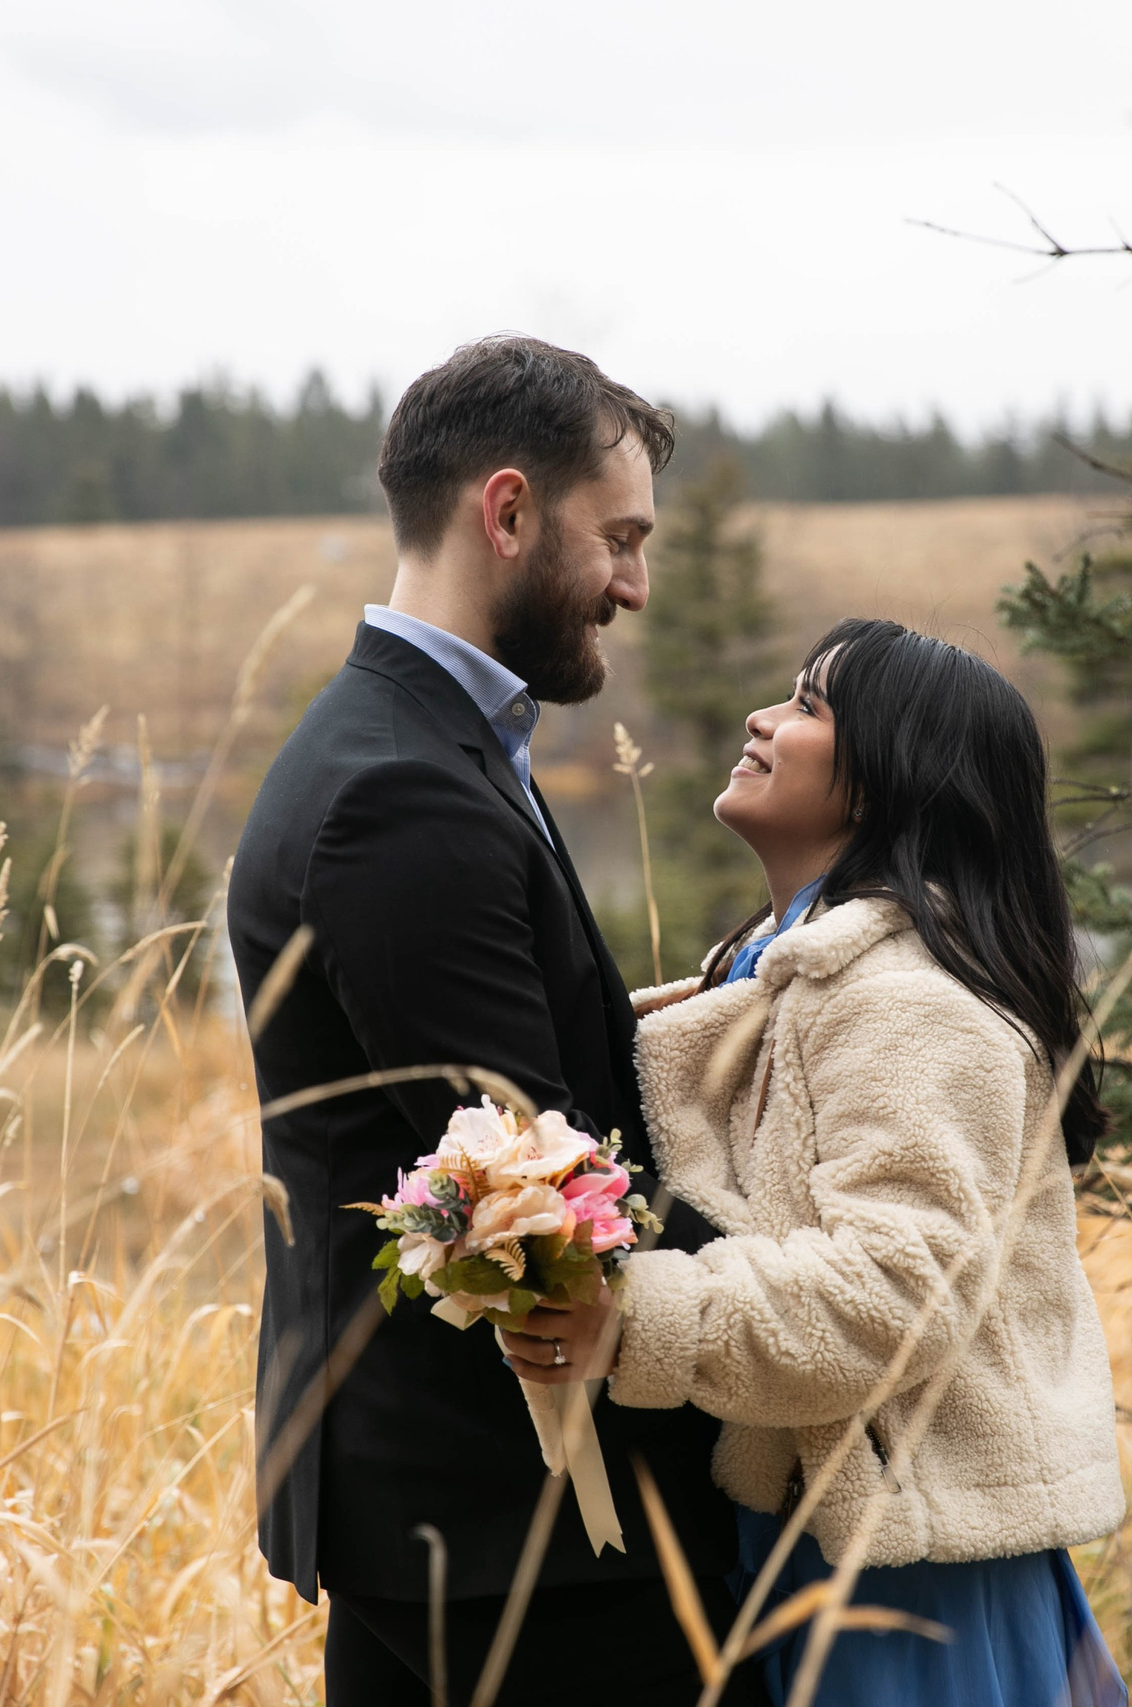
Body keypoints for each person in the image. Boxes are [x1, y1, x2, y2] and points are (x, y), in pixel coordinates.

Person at [227, 336, 763, 1707]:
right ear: (509, 510)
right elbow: (538, 1177)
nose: (637, 583)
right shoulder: (404, 789)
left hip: (449, 1506)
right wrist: (821, 1282)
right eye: (622, 537)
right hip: (509, 1520)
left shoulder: (415, 743)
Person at [508, 619, 1131, 1707]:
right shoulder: (786, 978)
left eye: (807, 705)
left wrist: (629, 1319)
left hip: (914, 1583)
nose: (762, 719)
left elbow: (895, 1293)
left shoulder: (911, 1005)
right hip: (839, 1540)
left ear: (893, 778)